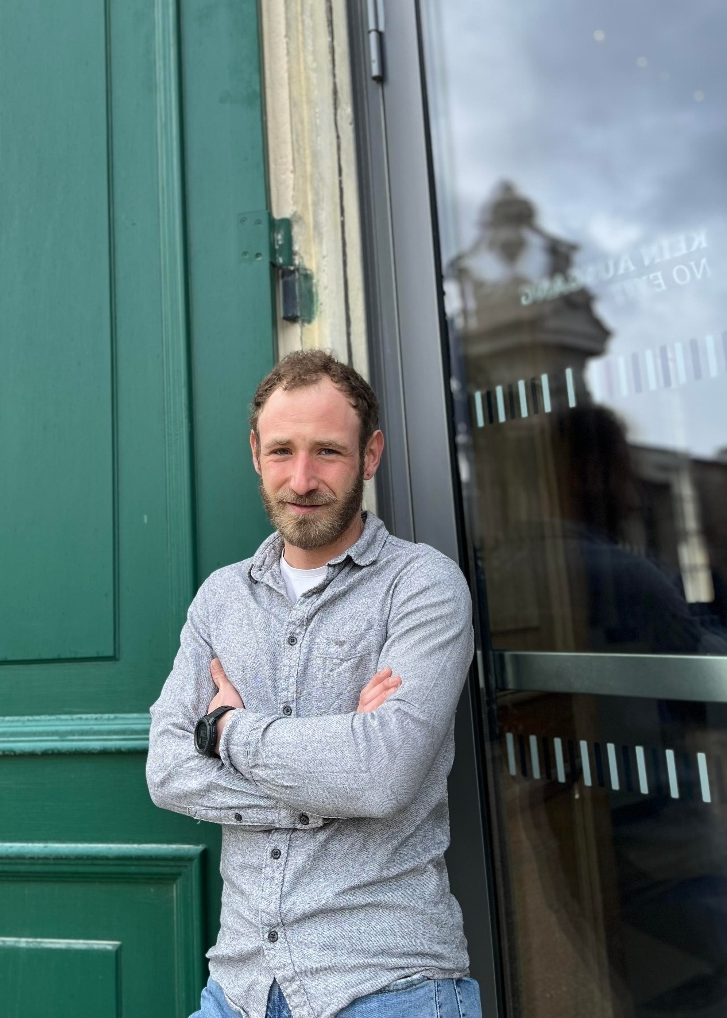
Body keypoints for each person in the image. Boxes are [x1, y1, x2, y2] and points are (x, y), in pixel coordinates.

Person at [146, 350, 481, 1018]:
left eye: (327, 451)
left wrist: (228, 732)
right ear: (254, 452)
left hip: (390, 984)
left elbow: (380, 776)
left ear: (371, 453)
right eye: (281, 452)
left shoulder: (422, 587)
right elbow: (167, 772)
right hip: (237, 986)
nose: (301, 479)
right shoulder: (220, 599)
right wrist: (338, 774)